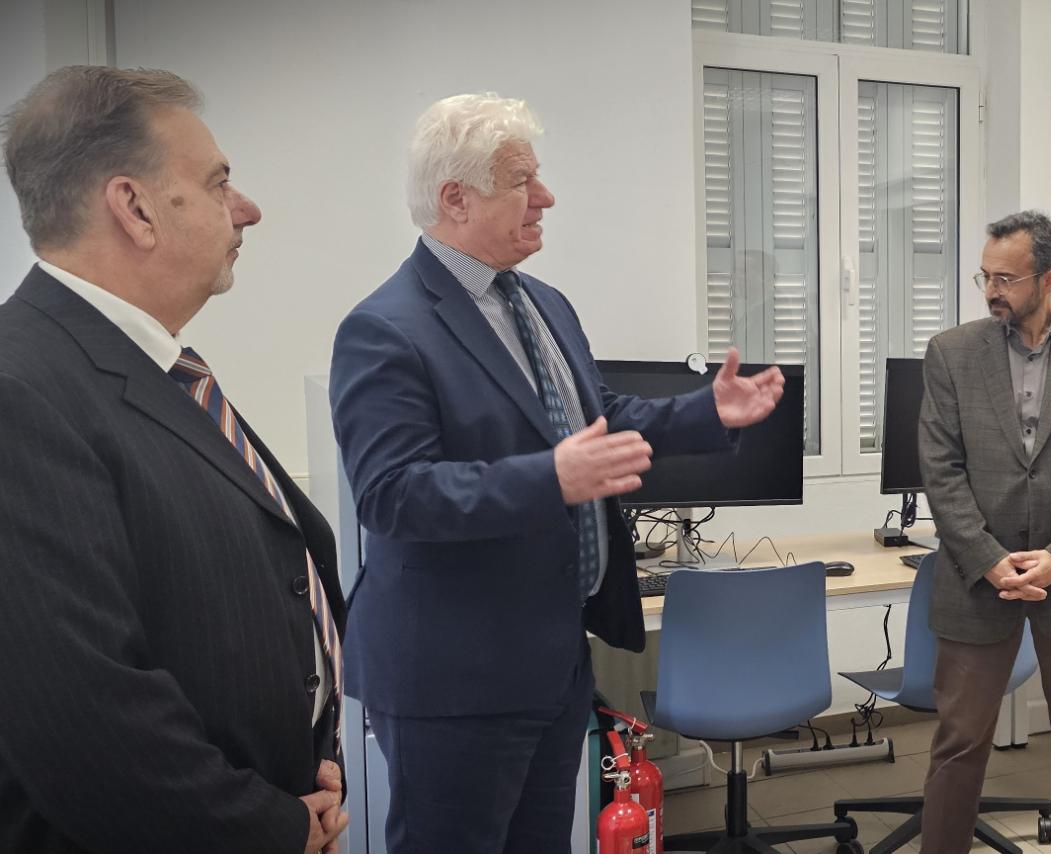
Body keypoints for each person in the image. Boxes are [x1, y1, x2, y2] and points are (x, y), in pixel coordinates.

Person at [328, 93, 784, 852]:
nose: (546, 196)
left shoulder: (543, 302)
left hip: (553, 662)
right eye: (522, 181)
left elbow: (597, 418)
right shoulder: (384, 328)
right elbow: (392, 495)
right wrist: (552, 479)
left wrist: (708, 412)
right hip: (456, 678)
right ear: (456, 199)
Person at [0, 66, 347, 854]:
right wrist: (271, 826)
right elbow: (81, 714)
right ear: (134, 207)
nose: (247, 208)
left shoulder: (155, 372)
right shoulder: (20, 392)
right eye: (218, 182)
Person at [917, 210, 1051, 854]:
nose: (991, 291)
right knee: (958, 748)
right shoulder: (952, 353)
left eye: (1006, 279)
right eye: (984, 276)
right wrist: (988, 557)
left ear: (1049, 278)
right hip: (976, 580)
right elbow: (940, 469)